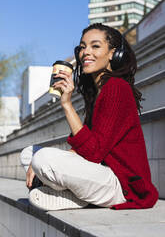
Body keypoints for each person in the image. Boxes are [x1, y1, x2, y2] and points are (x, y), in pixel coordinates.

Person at [20, 23, 158, 211]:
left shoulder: (117, 88)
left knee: (42, 158)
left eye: (95, 46)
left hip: (122, 186)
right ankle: (75, 197)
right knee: (30, 153)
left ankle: (75, 195)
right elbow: (85, 149)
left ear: (112, 54)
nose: (86, 52)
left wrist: (67, 104)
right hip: (100, 175)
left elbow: (93, 153)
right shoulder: (96, 93)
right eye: (83, 47)